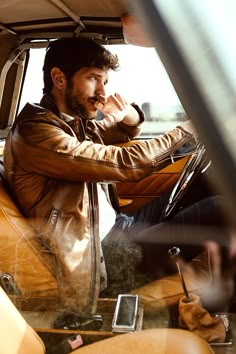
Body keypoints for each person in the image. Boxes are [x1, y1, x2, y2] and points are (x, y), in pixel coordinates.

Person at [3, 37, 227, 313]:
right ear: (59, 78)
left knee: (210, 182)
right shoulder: (37, 133)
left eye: (105, 82)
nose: (102, 92)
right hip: (102, 256)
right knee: (223, 207)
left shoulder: (71, 123)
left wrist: (126, 114)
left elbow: (124, 133)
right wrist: (189, 130)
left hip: (117, 227)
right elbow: (126, 162)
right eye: (94, 79)